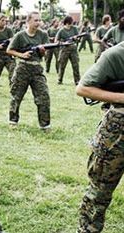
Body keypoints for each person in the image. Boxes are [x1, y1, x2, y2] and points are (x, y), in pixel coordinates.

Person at [76, 41, 124, 233]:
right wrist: (121, 98)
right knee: (99, 192)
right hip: (117, 131)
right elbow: (83, 89)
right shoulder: (115, 55)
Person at [6, 11, 50, 132]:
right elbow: (9, 50)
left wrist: (42, 51)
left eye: (39, 20)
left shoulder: (43, 35)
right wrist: (22, 54)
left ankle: (45, 125)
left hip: (37, 68)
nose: (38, 23)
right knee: (16, 95)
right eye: (35, 20)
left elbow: (45, 53)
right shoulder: (20, 35)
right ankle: (13, 121)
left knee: (43, 97)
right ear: (28, 21)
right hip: (23, 68)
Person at [55, 16, 80, 85]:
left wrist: (76, 38)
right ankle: (60, 79)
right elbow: (56, 41)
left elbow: (78, 38)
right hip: (64, 49)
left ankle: (77, 80)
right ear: (67, 23)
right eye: (71, 22)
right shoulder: (61, 31)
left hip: (73, 49)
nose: (72, 24)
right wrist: (63, 43)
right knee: (62, 65)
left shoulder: (74, 29)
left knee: (75, 65)